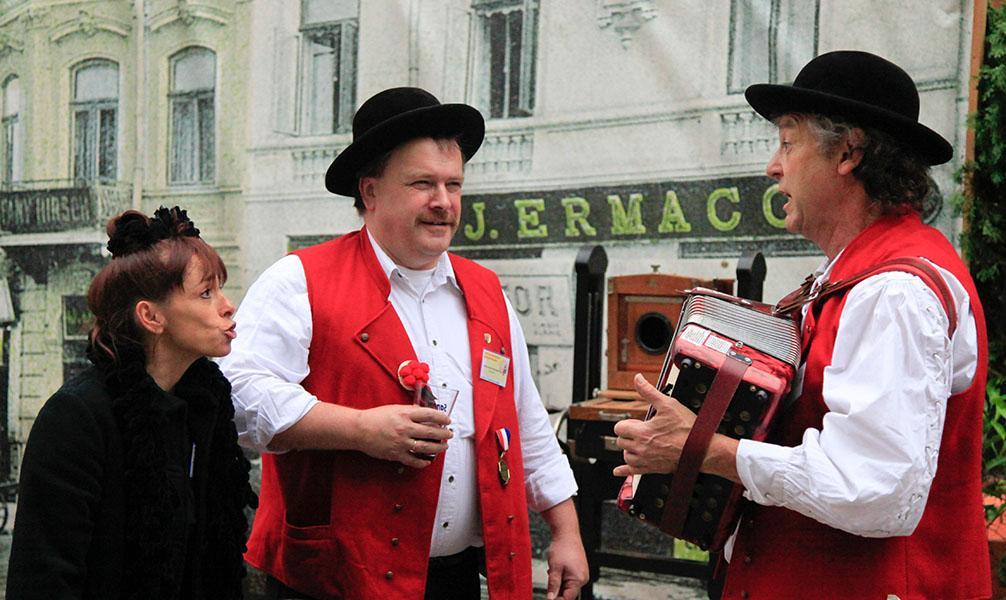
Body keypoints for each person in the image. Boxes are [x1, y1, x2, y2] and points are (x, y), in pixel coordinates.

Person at [613, 50, 990, 599]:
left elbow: (875, 491)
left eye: (788, 142)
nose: (774, 165)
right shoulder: (858, 277)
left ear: (848, 152)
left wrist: (703, 448)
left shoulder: (896, 291)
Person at [219, 87, 588, 600]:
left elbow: (524, 422)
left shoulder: (486, 292)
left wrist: (566, 531)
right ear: (370, 192)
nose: (444, 202)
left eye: (453, 184)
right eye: (422, 184)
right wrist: (360, 428)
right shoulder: (298, 280)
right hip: (332, 582)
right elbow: (237, 395)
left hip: (456, 579)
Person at [6, 206, 257, 600]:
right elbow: (43, 579)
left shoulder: (205, 410)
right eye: (206, 292)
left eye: (220, 289)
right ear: (150, 316)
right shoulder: (76, 417)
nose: (228, 305)